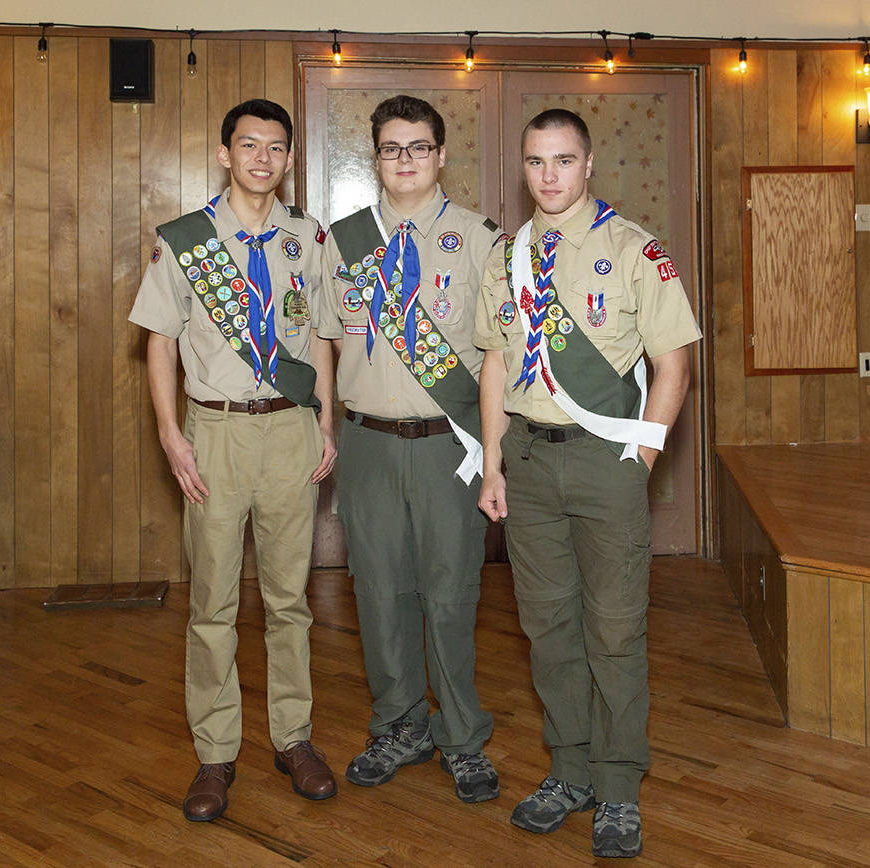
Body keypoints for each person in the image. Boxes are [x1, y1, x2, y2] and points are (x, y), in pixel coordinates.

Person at [474, 108, 701, 859]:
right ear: (523, 167)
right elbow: (498, 363)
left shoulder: (635, 250)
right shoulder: (508, 256)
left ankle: (617, 785)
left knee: (614, 630)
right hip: (530, 465)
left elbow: (674, 366)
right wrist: (494, 462)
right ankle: (568, 770)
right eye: (536, 162)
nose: (549, 176)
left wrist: (640, 459)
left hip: (606, 465)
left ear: (589, 162)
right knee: (548, 629)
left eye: (563, 161)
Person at [129, 98, 339, 822]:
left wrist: (326, 423)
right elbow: (158, 339)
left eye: (276, 148)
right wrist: (169, 432)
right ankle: (215, 753)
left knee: (289, 602)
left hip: (289, 432)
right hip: (213, 434)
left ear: (287, 157)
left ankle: (293, 739)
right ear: (225, 153)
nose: (262, 159)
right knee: (213, 604)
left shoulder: (307, 237)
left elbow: (321, 340)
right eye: (249, 146)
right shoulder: (185, 239)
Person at [315, 95, 502, 804]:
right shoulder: (345, 241)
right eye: (392, 148)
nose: (405, 160)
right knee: (381, 592)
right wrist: (327, 421)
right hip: (367, 443)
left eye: (418, 147)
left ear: (441, 154)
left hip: (446, 446)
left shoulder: (480, 240)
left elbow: (496, 355)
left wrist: (494, 449)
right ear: (376, 157)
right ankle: (399, 724)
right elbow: (326, 340)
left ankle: (460, 734)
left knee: (452, 596)